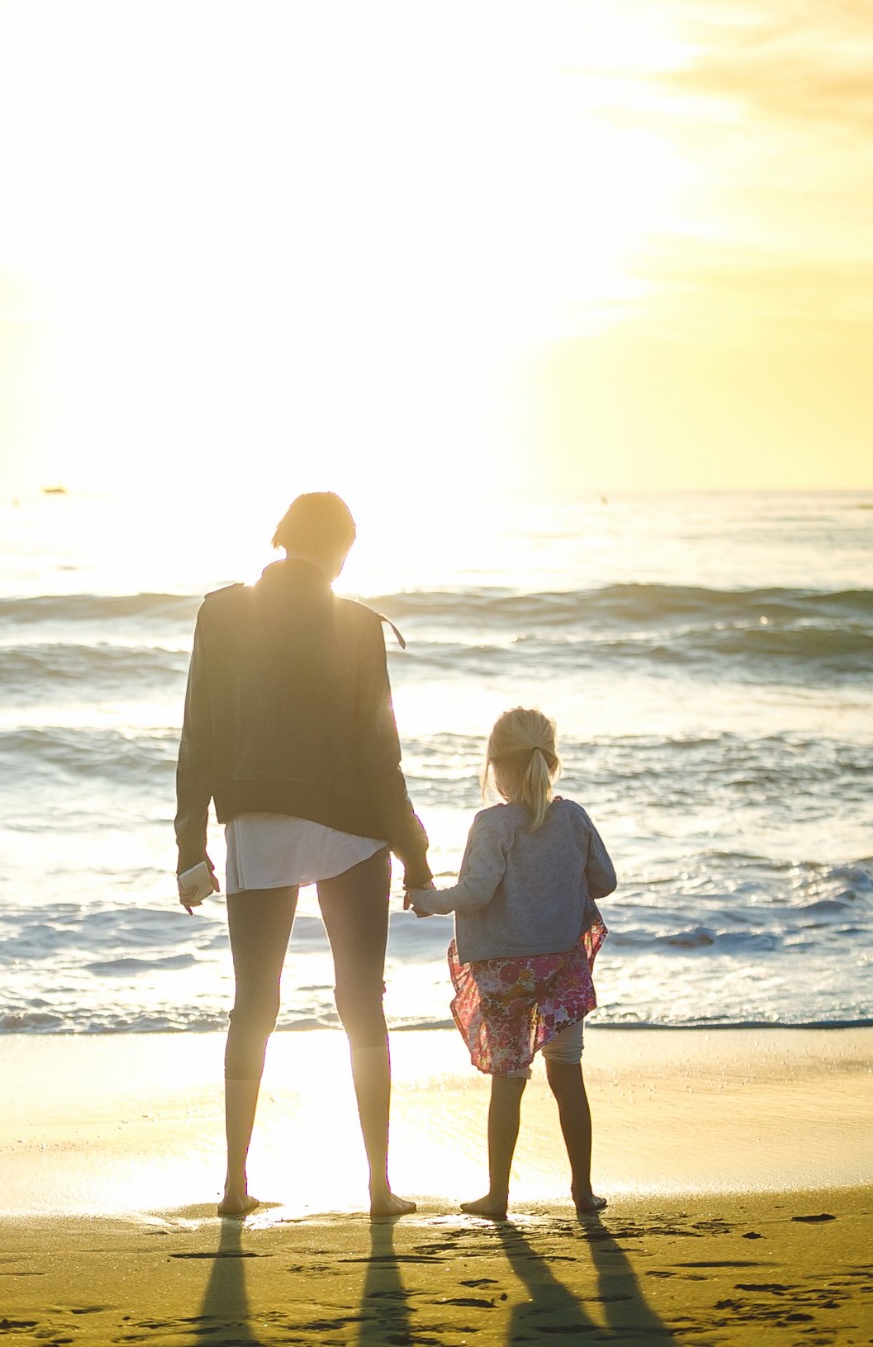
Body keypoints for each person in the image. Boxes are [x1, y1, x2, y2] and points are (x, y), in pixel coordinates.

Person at [175, 492, 431, 1218]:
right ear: (342, 548)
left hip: (256, 820)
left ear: (285, 539)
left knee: (254, 1003)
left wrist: (190, 846)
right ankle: (379, 1186)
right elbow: (381, 754)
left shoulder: (221, 614)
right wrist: (413, 854)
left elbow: (199, 735)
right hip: (351, 827)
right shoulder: (357, 624)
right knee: (361, 1004)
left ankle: (233, 1185)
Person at [410, 706, 616, 1217]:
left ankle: (498, 1196)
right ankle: (583, 1192)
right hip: (562, 968)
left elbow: (477, 894)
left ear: (497, 768)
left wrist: (427, 897)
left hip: (506, 975)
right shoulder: (573, 817)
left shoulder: (492, 824)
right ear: (550, 762)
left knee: (510, 1078)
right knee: (567, 1075)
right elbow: (606, 883)